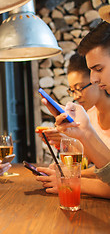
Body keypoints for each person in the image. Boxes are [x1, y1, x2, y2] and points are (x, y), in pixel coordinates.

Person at [41, 21, 110, 185]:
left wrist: (69, 181)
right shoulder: (90, 115)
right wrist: (82, 132)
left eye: (99, 69)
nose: (94, 79)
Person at [35, 53, 110, 199]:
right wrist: (64, 140)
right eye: (72, 90)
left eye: (80, 88)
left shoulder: (86, 121)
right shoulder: (90, 116)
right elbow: (101, 169)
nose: (75, 96)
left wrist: (69, 181)